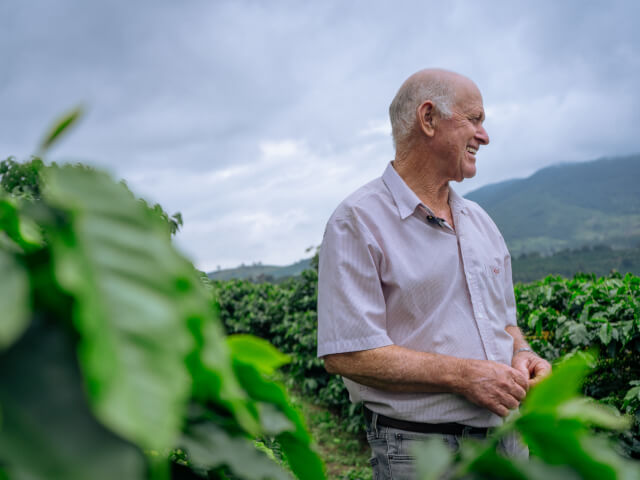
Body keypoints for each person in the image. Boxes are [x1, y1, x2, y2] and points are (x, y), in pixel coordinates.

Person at [316, 68, 551, 479]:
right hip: (420, 448)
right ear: (428, 119)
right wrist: (464, 376)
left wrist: (523, 354)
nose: (484, 136)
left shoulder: (481, 222)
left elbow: (504, 323)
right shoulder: (358, 220)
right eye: (474, 119)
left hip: (506, 440)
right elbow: (346, 353)